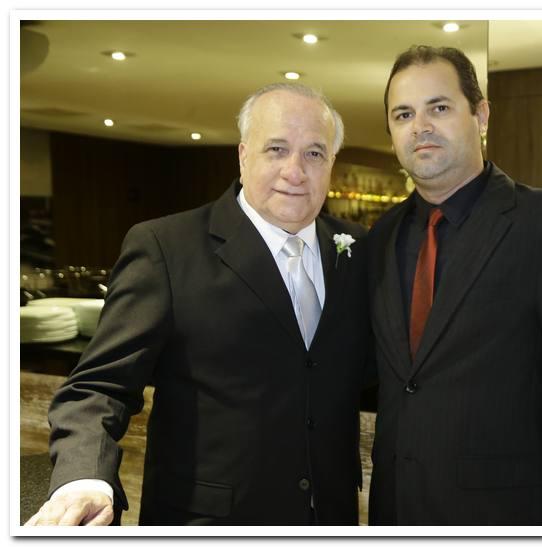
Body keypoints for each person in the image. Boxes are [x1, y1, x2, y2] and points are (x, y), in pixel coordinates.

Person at [25, 83, 371, 526]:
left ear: (332, 163)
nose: (295, 171)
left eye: (314, 153)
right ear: (243, 156)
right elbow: (99, 387)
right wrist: (83, 480)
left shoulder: (357, 249)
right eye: (277, 149)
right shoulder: (166, 247)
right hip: (208, 522)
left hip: (330, 520)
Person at [366, 45, 542, 525]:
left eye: (439, 108)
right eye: (403, 114)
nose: (420, 126)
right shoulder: (381, 238)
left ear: (481, 115)